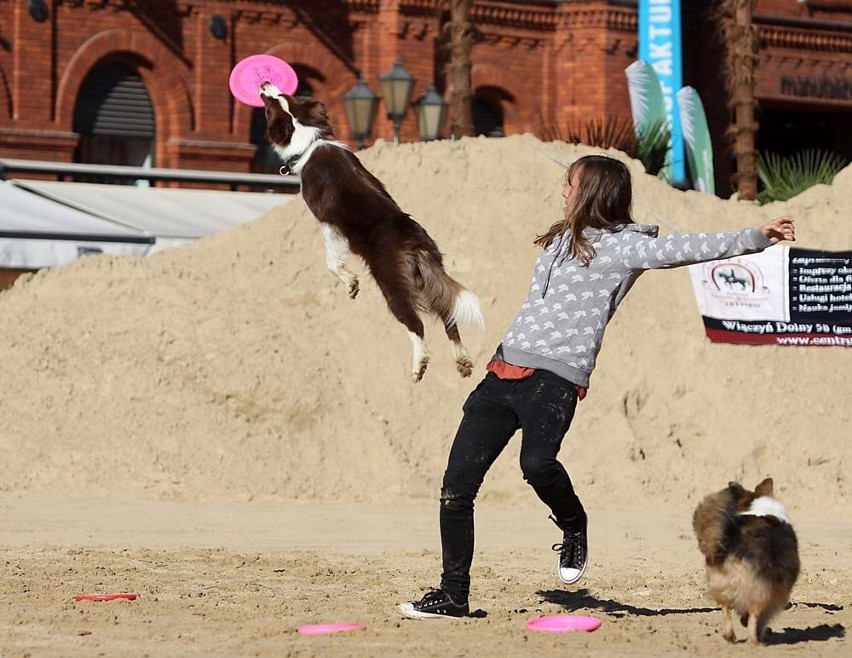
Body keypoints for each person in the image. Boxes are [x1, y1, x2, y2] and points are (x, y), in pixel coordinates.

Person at [397, 154, 796, 620]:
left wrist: (755, 237)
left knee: (537, 463)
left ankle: (573, 523)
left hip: (557, 378)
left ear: (593, 193)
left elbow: (686, 248)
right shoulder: (559, 240)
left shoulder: (625, 247)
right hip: (503, 370)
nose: (564, 192)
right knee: (456, 487)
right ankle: (453, 594)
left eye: (571, 185)